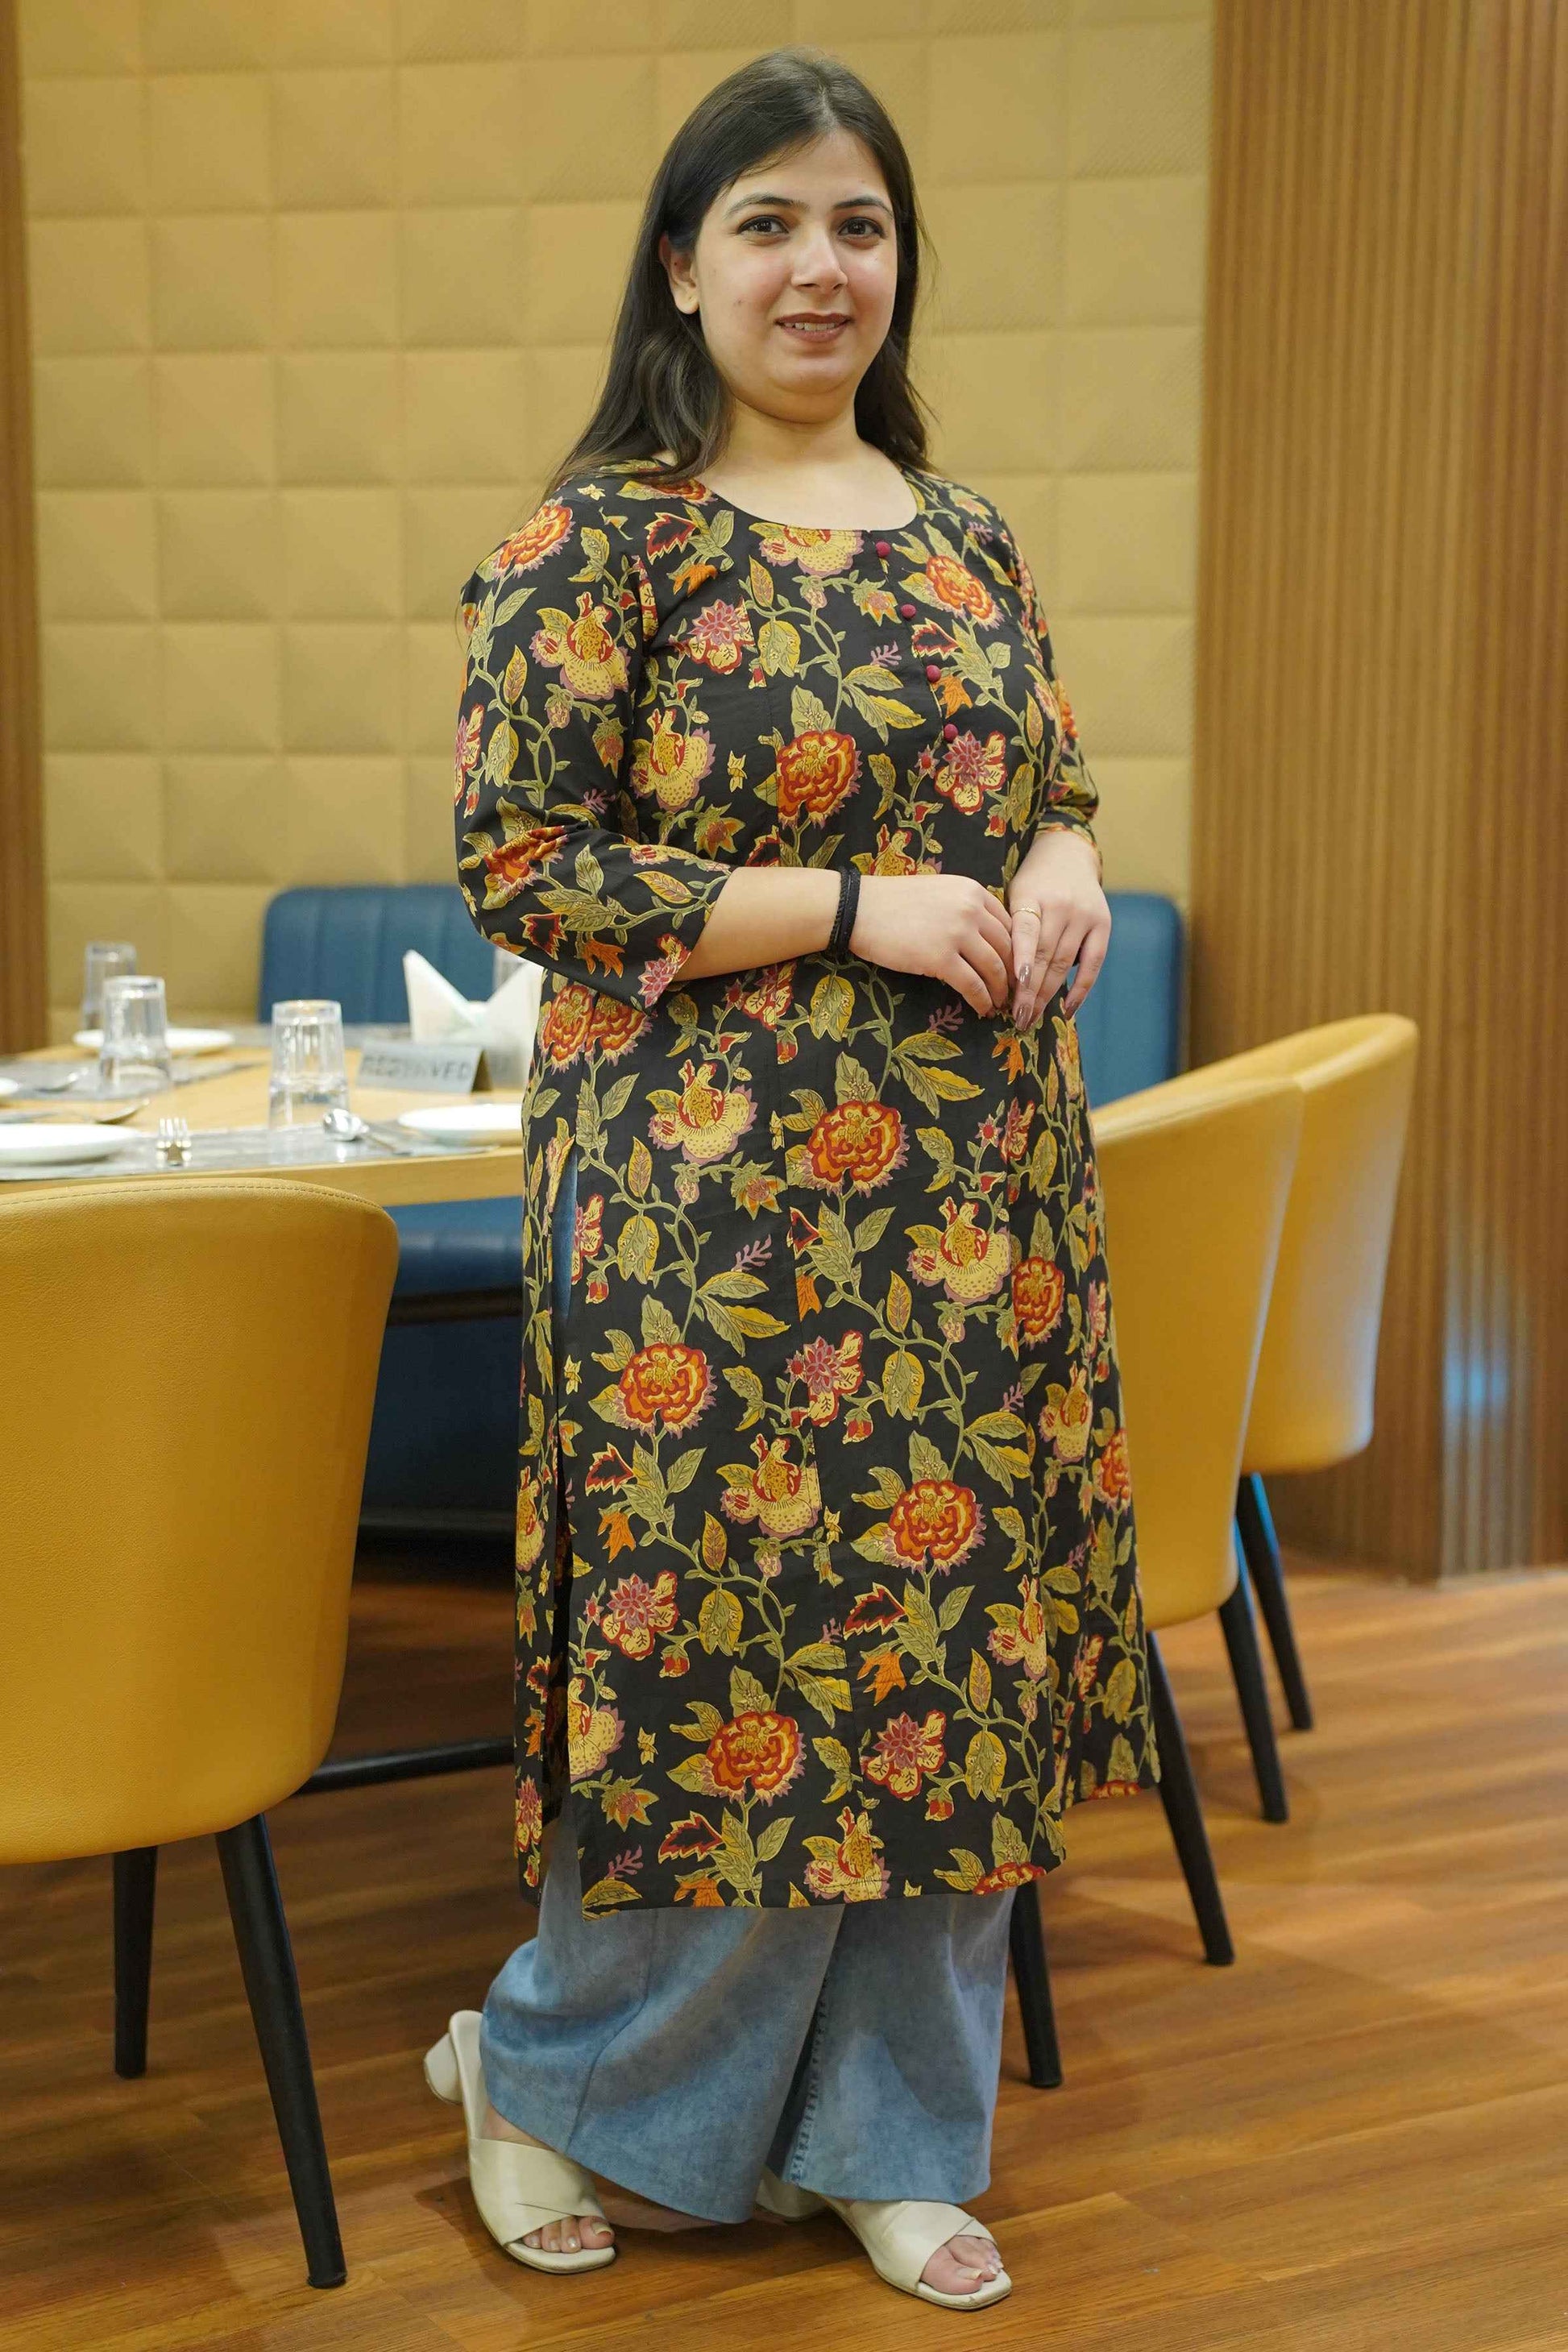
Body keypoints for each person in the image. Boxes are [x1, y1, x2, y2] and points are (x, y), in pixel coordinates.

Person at [432, 45, 1156, 2313]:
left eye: (856, 223)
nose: (816, 266)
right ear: (681, 266)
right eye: (765, 224)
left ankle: (890, 2134)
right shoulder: (597, 542)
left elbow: (1051, 778)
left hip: (977, 1202)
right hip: (705, 1219)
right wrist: (857, 909)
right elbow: (527, 867)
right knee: (716, 1668)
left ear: (897, 260)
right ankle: (546, 2079)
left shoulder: (964, 532)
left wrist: (1063, 864)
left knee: (952, 1661)